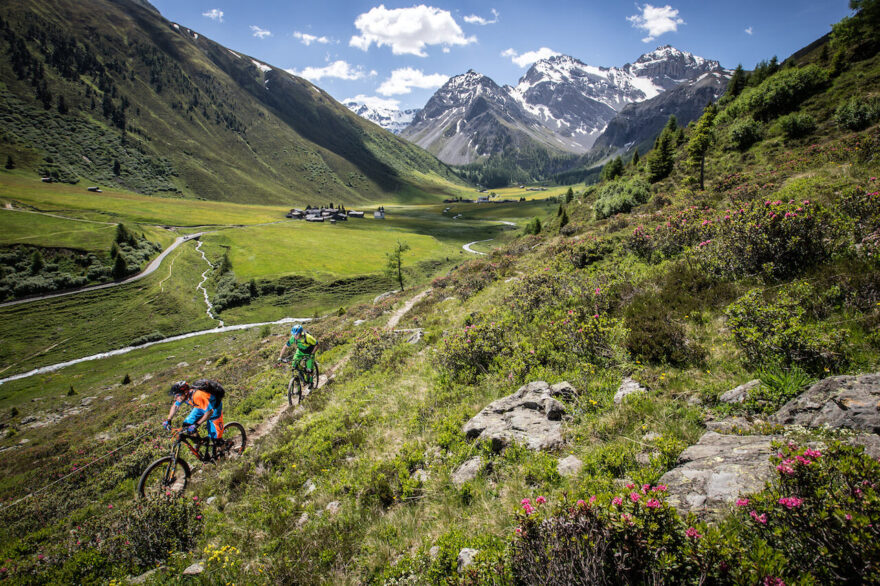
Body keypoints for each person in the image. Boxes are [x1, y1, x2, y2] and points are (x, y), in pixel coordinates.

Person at [163, 379, 225, 459]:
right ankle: (200, 442)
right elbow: (175, 406)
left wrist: (196, 424)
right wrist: (168, 420)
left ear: (185, 392)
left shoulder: (197, 395)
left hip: (213, 408)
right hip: (200, 407)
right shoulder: (184, 396)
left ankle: (223, 454)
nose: (176, 398)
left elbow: (209, 412)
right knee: (186, 424)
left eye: (177, 395)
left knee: (217, 440)